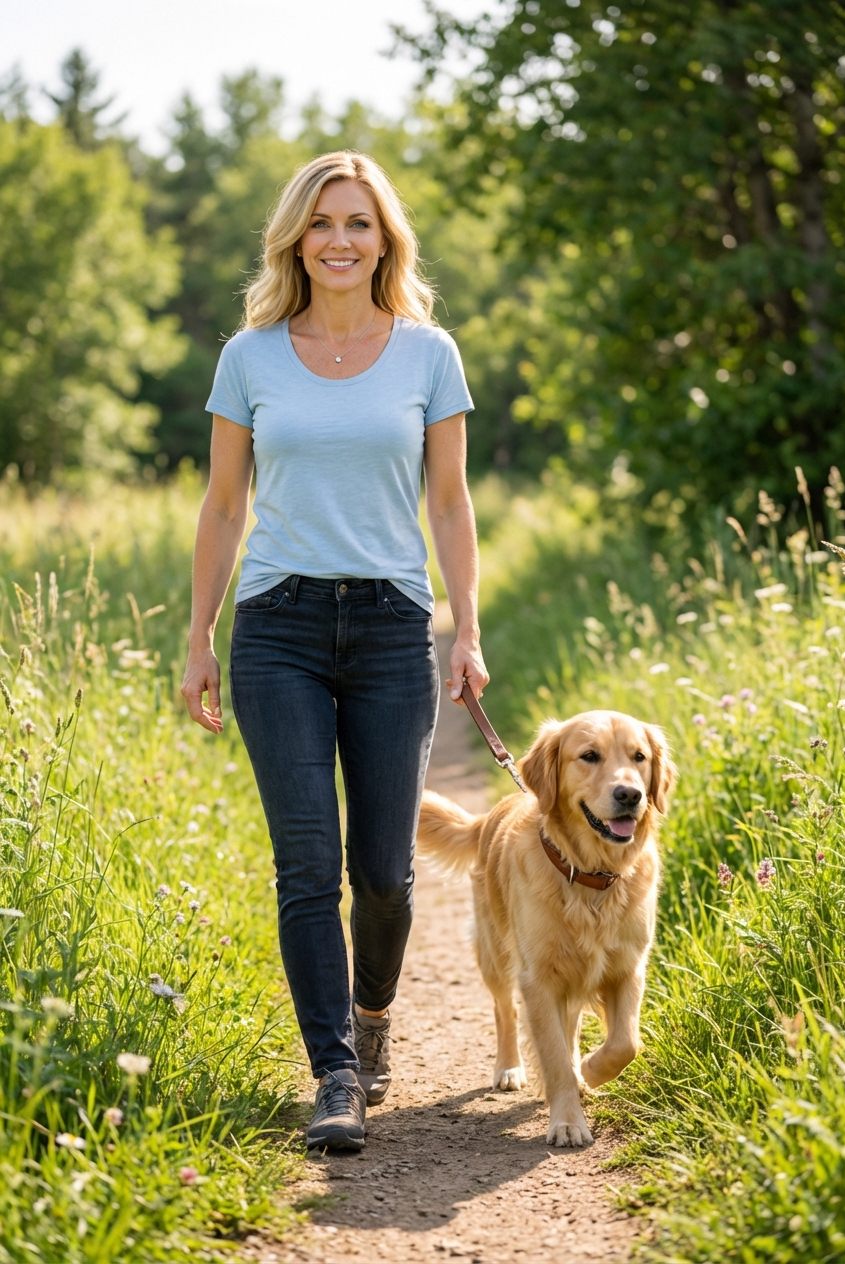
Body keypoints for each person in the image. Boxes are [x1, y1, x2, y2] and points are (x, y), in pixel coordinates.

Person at [181, 150, 488, 1152]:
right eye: (322, 223)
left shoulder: (427, 353)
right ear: (295, 239)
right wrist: (199, 637)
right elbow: (224, 504)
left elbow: (448, 499)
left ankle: (371, 1015)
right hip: (278, 627)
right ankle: (336, 1074)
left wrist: (466, 625)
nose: (340, 240)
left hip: (394, 626)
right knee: (306, 861)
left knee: (386, 873)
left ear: (383, 238)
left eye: (358, 222)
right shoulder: (252, 355)